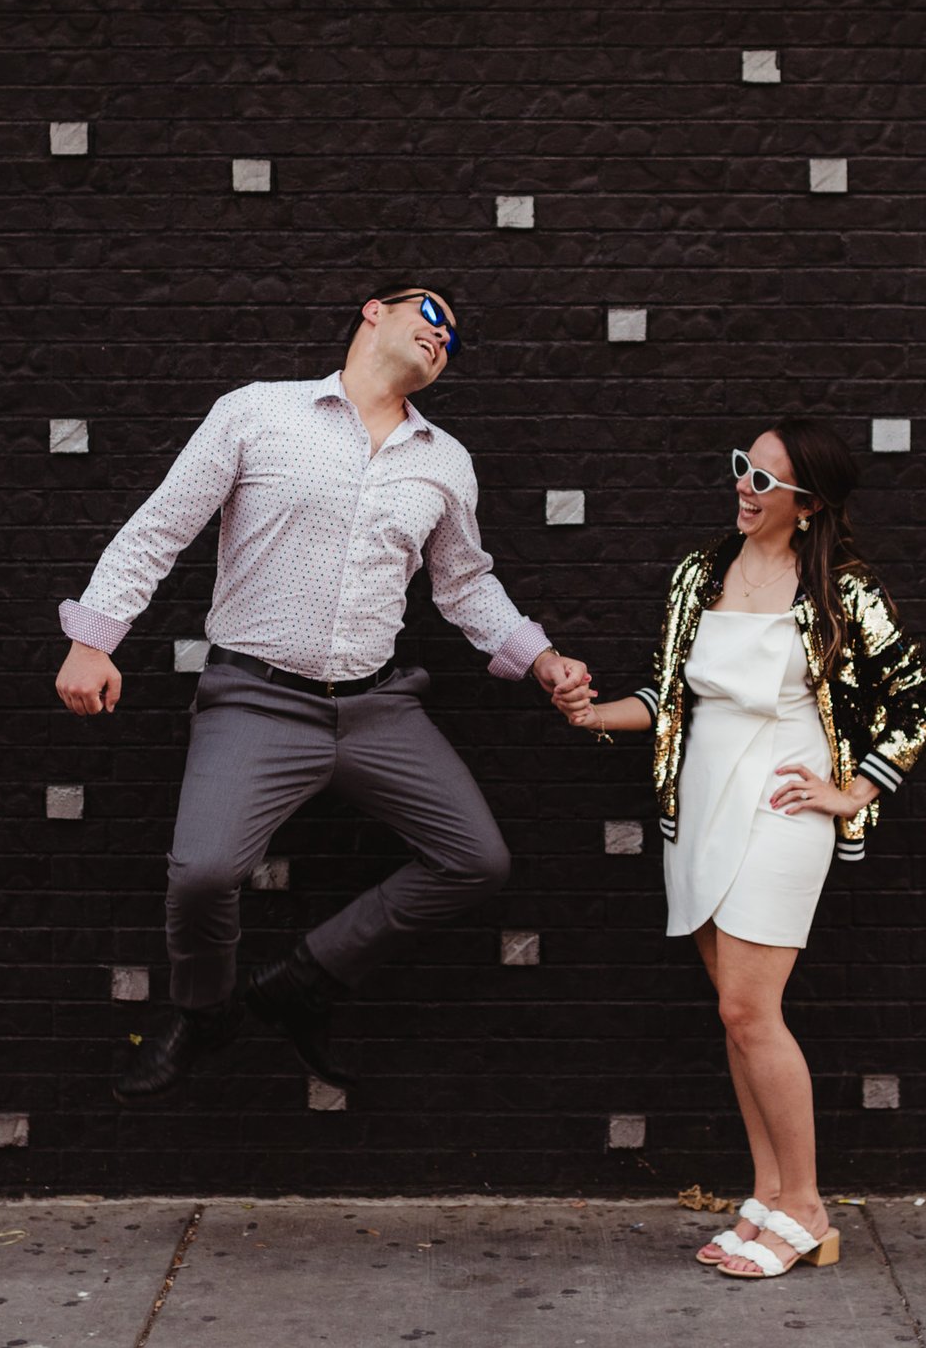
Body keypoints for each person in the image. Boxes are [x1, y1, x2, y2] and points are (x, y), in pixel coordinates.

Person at [54, 285, 594, 1102]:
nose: (444, 337)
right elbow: (160, 526)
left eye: (456, 339)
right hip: (255, 698)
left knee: (476, 860)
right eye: (433, 315)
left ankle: (304, 981)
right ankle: (205, 1012)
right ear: (374, 311)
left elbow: (464, 584)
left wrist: (541, 656)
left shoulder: (444, 461)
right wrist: (93, 639)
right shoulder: (257, 413)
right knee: (201, 874)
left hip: (380, 707)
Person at [559, 420, 926, 1280]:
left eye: (764, 480)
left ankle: (806, 1206)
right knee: (735, 1016)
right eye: (742, 468)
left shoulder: (844, 590)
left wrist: (852, 792)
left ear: (808, 507)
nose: (744, 486)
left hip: (782, 803)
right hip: (699, 804)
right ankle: (766, 1196)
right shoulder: (701, 573)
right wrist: (591, 714)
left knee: (748, 1010)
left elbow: (918, 699)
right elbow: (669, 697)